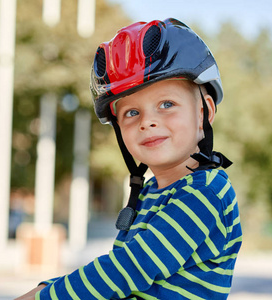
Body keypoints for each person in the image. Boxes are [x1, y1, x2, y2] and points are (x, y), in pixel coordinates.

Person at [16, 18, 242, 299]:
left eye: (166, 104)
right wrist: (47, 286)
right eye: (132, 113)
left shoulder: (206, 191)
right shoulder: (148, 193)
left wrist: (47, 296)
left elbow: (132, 267)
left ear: (203, 113)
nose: (147, 121)